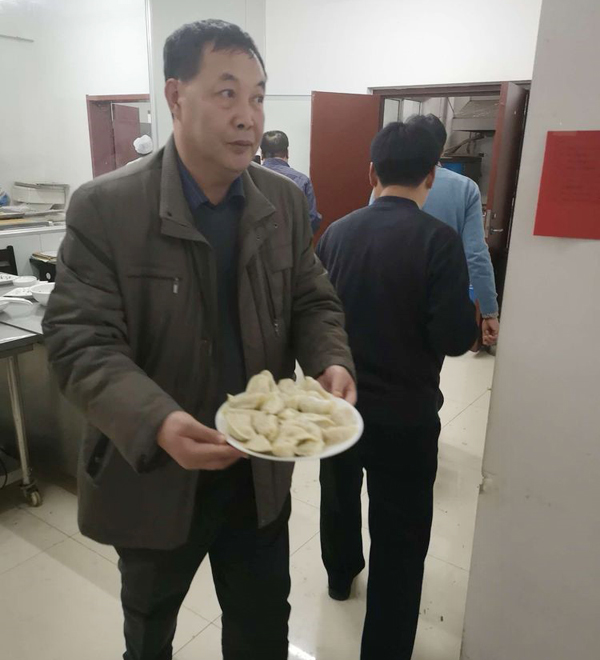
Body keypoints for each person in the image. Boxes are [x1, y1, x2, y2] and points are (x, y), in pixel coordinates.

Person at [43, 19, 355, 660]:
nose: (248, 116)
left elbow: (311, 298)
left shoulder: (281, 203)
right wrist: (157, 422)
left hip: (257, 475)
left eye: (258, 96)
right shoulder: (106, 208)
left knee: (261, 631)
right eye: (227, 92)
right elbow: (79, 342)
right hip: (154, 476)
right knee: (149, 633)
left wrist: (329, 359)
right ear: (175, 96)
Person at [317, 122, 478, 660]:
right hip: (406, 414)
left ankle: (340, 577)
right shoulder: (439, 241)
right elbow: (452, 338)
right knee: (401, 534)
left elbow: (318, 317)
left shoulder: (336, 233)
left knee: (338, 496)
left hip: (340, 406)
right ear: (431, 176)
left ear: (372, 173)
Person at [368, 114, 500, 346]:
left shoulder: (386, 185)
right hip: (438, 302)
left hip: (385, 295)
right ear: (440, 149)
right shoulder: (465, 188)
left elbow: (370, 232)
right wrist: (489, 311)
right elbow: (475, 255)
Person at [260, 130, 322, 233]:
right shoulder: (302, 180)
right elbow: (312, 219)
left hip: (256, 242)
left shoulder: (249, 178)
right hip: (291, 241)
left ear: (262, 154)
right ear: (287, 153)